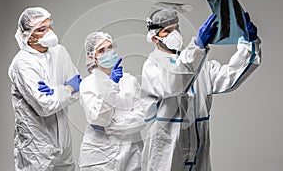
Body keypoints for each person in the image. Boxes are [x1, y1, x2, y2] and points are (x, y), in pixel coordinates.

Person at [141, 9, 261, 171]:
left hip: (198, 149)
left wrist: (248, 44)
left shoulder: (199, 63)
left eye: (176, 28)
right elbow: (174, 84)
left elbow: (230, 78)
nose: (174, 34)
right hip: (166, 151)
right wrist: (197, 48)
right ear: (155, 37)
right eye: (167, 31)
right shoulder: (153, 65)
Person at [8, 7, 82, 171]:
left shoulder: (59, 52)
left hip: (64, 141)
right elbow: (45, 107)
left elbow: (79, 90)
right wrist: (67, 87)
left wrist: (57, 92)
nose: (49, 32)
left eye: (50, 26)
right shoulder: (23, 64)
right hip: (37, 146)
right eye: (42, 29)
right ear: (27, 35)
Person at [78, 32, 145, 171]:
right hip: (99, 157)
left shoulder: (129, 81)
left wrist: (110, 126)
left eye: (110, 47)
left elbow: (141, 118)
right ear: (92, 57)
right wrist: (112, 85)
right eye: (101, 50)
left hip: (131, 153)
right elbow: (98, 119)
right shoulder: (88, 84)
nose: (108, 53)